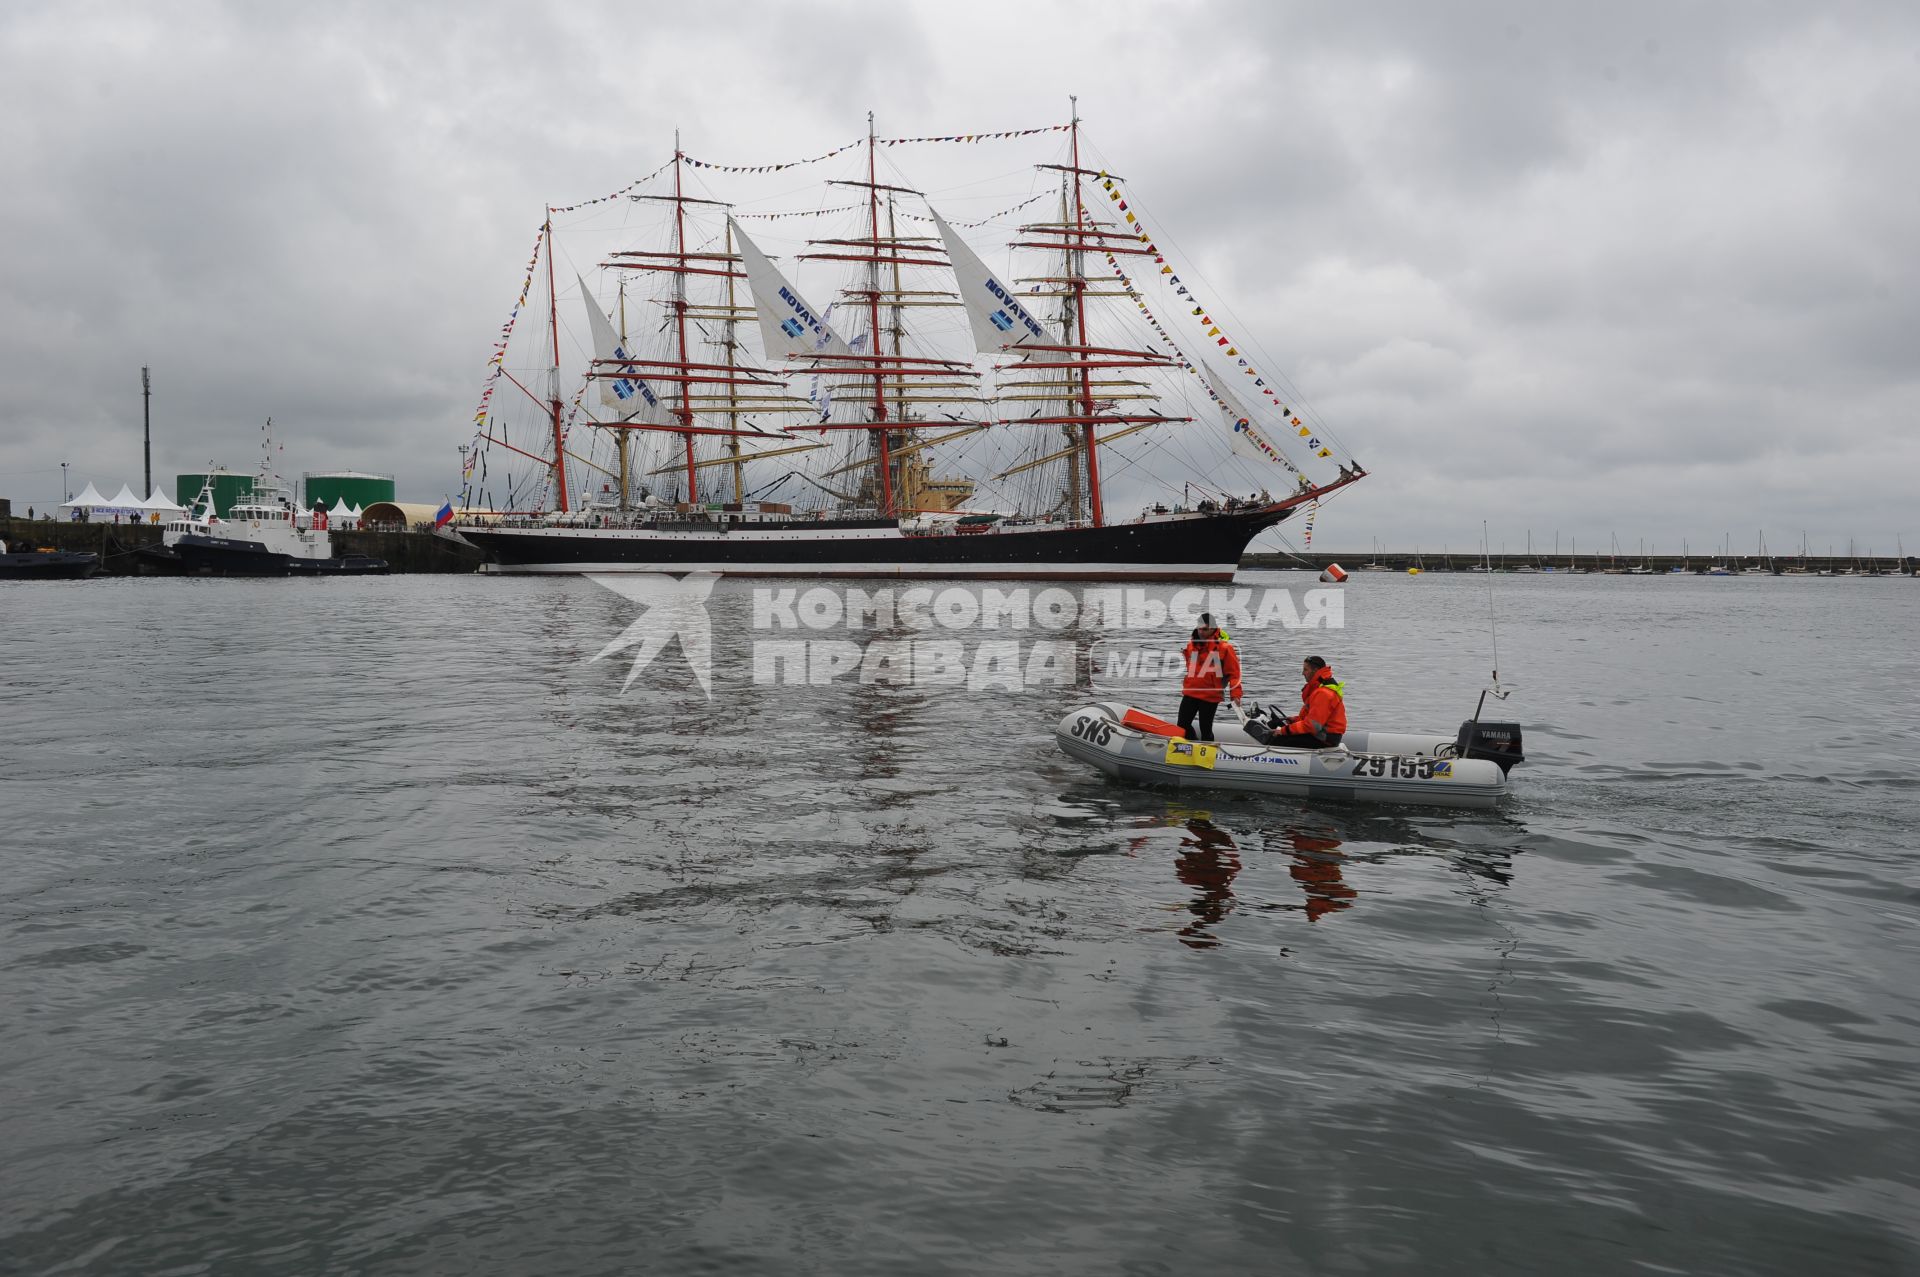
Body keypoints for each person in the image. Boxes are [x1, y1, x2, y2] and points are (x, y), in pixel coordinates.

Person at [1177, 612, 1241, 741]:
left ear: (1213, 629)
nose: (1201, 632)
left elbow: (1234, 674)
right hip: (1191, 692)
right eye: (1199, 628)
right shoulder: (1191, 645)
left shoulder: (1225, 648)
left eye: (1205, 629)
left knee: (1205, 729)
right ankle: (1191, 746)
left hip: (1210, 695)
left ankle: (1209, 753)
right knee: (1182, 725)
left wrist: (1235, 695)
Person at [1269, 655, 1347, 748]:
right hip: (1324, 734)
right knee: (1278, 726)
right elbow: (1311, 719)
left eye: (1305, 670)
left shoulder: (1323, 693)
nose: (1303, 673)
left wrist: (1283, 731)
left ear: (1315, 670)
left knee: (1277, 740)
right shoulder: (1320, 689)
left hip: (1324, 738)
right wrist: (1293, 720)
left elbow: (1312, 726)